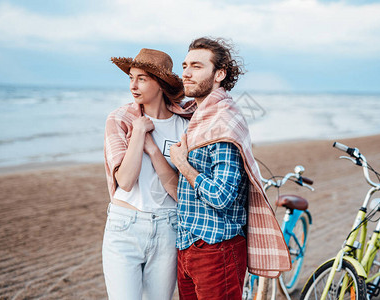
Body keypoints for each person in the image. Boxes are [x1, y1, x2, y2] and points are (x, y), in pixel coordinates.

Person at [170, 37, 291, 299]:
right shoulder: (199, 117)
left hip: (216, 248)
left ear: (219, 74)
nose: (187, 73)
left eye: (197, 66)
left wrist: (182, 164)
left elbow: (221, 196)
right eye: (184, 65)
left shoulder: (222, 122)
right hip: (187, 244)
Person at [102, 48, 195, 300]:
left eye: (142, 78)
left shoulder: (185, 126)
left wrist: (154, 151)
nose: (133, 85)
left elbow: (179, 191)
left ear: (161, 83)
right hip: (125, 227)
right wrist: (139, 131)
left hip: (168, 227)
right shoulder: (120, 119)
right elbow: (126, 181)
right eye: (131, 77)